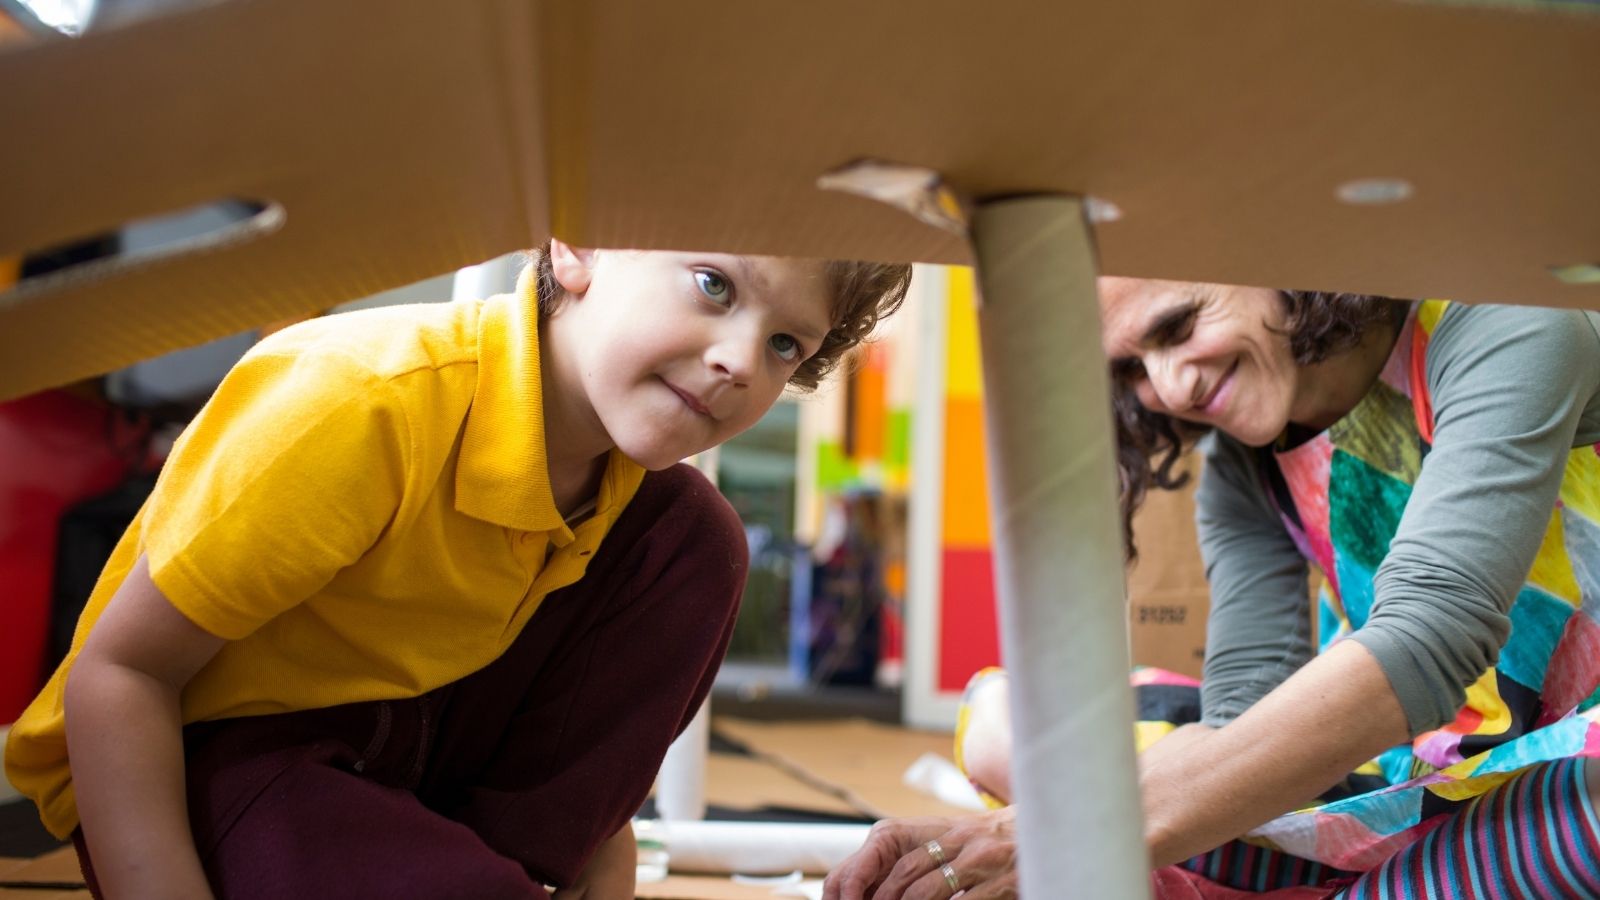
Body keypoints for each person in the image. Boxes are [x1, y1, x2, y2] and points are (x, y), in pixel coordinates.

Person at [5, 241, 911, 900]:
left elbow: (556, 680)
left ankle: (488, 867)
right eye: (714, 286)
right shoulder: (362, 406)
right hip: (215, 754)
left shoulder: (637, 498)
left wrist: (602, 838)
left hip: (405, 740)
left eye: (786, 345)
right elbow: (119, 677)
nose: (739, 363)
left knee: (698, 538)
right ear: (580, 246)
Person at [824, 280, 1600, 899]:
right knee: (1004, 721)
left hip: (1567, 762)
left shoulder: (1505, 322)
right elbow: (1242, 720)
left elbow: (1429, 640)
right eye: (1129, 367)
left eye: (1178, 326)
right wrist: (1057, 820)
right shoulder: (1242, 468)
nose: (1167, 387)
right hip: (1410, 777)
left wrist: (1063, 833)